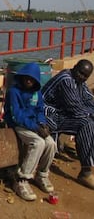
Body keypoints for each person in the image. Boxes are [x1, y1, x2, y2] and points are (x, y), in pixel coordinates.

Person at [3, 62, 57, 201]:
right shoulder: (14, 92)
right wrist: (35, 128)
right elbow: (17, 115)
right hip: (18, 124)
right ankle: (22, 179)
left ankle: (42, 175)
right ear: (21, 77)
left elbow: (39, 110)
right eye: (26, 77)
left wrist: (42, 124)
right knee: (38, 143)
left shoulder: (36, 92)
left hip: (34, 124)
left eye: (32, 79)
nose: (29, 81)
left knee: (51, 143)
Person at [42, 59, 94, 190]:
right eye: (80, 73)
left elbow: (88, 100)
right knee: (86, 122)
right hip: (50, 115)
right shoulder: (66, 79)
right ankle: (86, 172)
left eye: (85, 76)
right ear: (74, 67)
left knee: (88, 120)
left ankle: (88, 161)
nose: (82, 77)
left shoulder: (80, 82)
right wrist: (90, 113)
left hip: (63, 113)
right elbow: (75, 107)